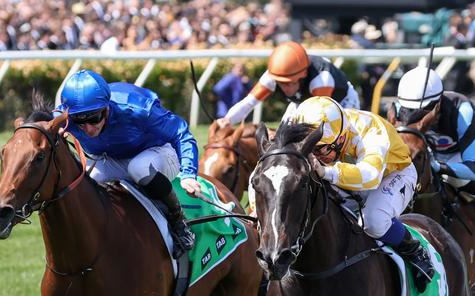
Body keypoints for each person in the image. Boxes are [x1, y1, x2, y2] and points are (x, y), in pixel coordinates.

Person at [290, 96, 435, 290]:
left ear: (340, 139)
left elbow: (370, 177)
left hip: (392, 175)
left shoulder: (371, 131)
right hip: (348, 173)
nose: (314, 156)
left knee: (372, 221)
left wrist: (326, 172)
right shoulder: (324, 131)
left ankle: (414, 250)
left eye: (318, 149)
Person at [56, 69, 198, 258]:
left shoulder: (137, 109)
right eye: (79, 122)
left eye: (94, 118)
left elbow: (181, 133)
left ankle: (179, 222)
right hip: (112, 158)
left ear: (106, 108)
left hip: (159, 153)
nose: (88, 128)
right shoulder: (64, 117)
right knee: (86, 182)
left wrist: (188, 173)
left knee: (138, 167)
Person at [393, 66, 475, 242]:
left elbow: (472, 169)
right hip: (427, 152)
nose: (417, 116)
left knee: (457, 179)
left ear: (438, 103)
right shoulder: (398, 110)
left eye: (426, 109)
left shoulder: (462, 110)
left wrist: (438, 167)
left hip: (462, 154)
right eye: (410, 110)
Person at [216, 41, 360, 128]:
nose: (286, 88)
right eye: (281, 83)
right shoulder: (273, 75)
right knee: (283, 133)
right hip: (303, 101)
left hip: (342, 103)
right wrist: (227, 120)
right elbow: (248, 103)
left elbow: (321, 120)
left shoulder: (321, 80)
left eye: (290, 83)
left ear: (302, 76)